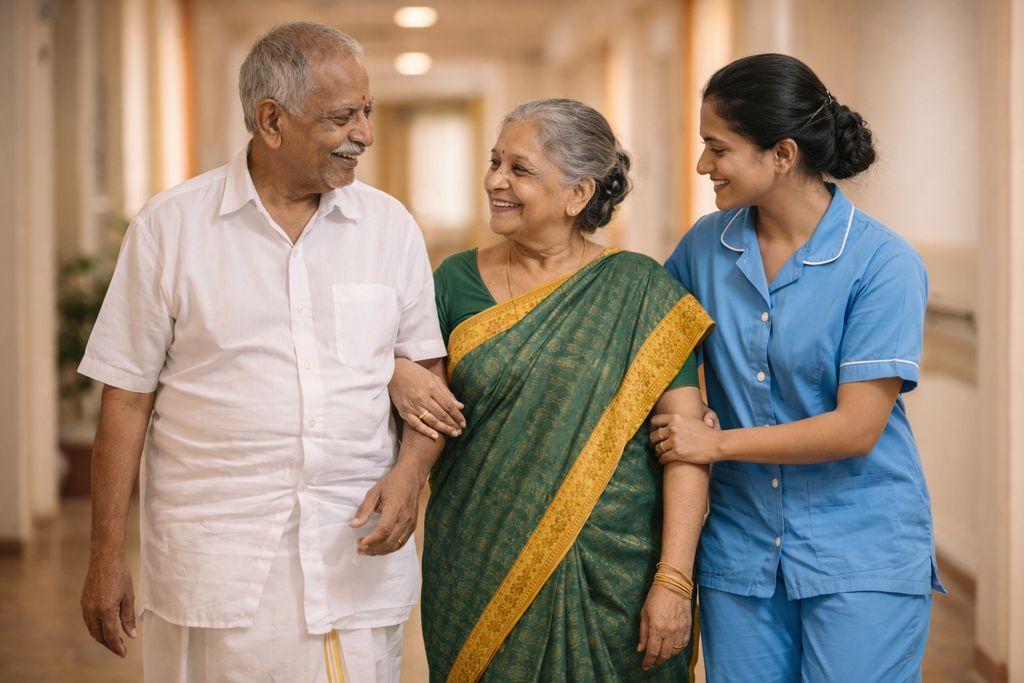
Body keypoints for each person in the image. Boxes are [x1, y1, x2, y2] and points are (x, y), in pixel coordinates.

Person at [77, 21, 455, 683]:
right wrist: (105, 552)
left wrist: (411, 474)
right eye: (342, 117)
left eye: (367, 111)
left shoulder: (389, 228)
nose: (364, 133)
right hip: (217, 570)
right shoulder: (172, 228)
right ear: (271, 121)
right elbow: (127, 395)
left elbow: (425, 369)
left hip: (352, 563)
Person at [389, 98, 714, 682]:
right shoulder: (453, 282)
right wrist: (393, 367)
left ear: (578, 194)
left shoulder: (640, 290)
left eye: (519, 169)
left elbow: (685, 448)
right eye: (494, 163)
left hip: (614, 572)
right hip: (477, 562)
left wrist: (673, 578)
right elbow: (420, 408)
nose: (495, 181)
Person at [653, 53, 944, 682]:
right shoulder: (705, 247)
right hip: (741, 553)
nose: (704, 165)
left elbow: (856, 428)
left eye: (718, 147)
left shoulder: (881, 264)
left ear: (782, 154)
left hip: (861, 550)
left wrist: (714, 443)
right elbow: (647, 343)